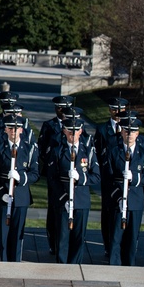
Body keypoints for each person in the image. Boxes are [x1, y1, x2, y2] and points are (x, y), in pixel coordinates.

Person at [45, 113, 100, 264]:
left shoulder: (88, 151)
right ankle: (62, 266)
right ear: (64, 131)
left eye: (76, 131)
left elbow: (96, 177)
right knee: (62, 237)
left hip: (81, 200)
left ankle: (75, 265)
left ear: (81, 131)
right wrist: (63, 197)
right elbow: (51, 177)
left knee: (78, 237)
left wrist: (80, 178)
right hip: (63, 199)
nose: (72, 134)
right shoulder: (57, 151)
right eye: (69, 130)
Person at [0, 115, 39, 262]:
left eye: (16, 128)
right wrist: (0, 192)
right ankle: (3, 265)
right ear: (5, 130)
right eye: (10, 128)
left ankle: (15, 264)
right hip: (4, 196)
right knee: (3, 235)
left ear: (21, 129)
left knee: (17, 235)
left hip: (21, 197)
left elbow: (35, 174)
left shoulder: (29, 149)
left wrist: (21, 178)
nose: (13, 131)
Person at [102, 113, 144, 266]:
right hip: (117, 200)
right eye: (126, 130)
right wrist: (118, 197)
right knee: (115, 238)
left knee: (131, 238)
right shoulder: (112, 151)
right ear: (121, 131)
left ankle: (129, 267)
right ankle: (114, 267)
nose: (129, 134)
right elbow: (107, 178)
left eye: (133, 131)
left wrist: (134, 179)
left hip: (135, 201)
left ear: (137, 133)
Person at [38, 96, 75, 256]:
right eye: (59, 108)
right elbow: (42, 149)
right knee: (54, 208)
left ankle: (68, 243)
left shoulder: (76, 126)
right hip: (55, 175)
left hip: (72, 175)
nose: (62, 111)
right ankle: (53, 242)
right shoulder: (49, 126)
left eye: (65, 108)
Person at [95, 97, 128, 259]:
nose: (118, 112)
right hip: (108, 178)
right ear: (110, 110)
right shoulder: (103, 129)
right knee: (108, 212)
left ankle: (124, 246)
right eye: (115, 109)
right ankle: (108, 245)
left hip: (125, 178)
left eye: (120, 109)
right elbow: (99, 154)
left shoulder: (128, 128)